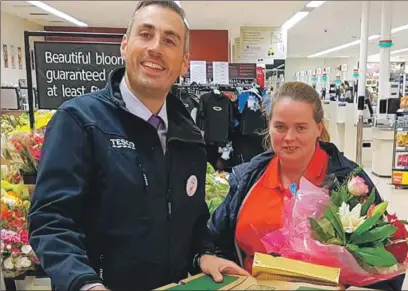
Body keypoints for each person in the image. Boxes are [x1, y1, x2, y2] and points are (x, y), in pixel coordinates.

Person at [28, 2, 247, 291]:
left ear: (183, 62)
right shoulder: (79, 122)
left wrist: (204, 255)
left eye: (170, 40)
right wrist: (84, 283)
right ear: (124, 44)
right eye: (145, 34)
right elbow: (51, 222)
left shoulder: (190, 136)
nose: (155, 48)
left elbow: (193, 222)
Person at [208, 82, 405, 291]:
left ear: (318, 128)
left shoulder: (349, 182)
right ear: (269, 126)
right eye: (280, 127)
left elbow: (387, 261)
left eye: (301, 127)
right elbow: (215, 238)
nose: (289, 137)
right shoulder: (249, 178)